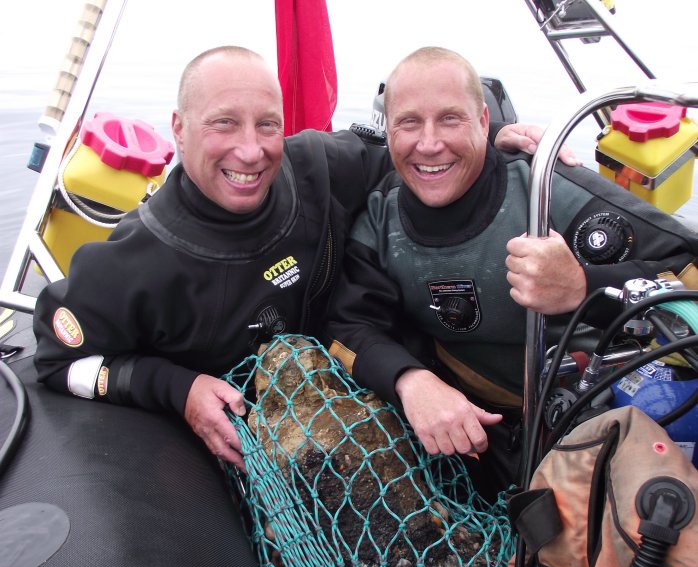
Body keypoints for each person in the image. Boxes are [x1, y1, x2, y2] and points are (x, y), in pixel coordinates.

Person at [32, 45, 576, 471]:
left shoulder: (315, 166)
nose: (251, 151)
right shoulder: (136, 260)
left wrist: (497, 139)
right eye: (224, 123)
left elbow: (417, 155)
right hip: (236, 444)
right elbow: (59, 362)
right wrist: (179, 389)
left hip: (351, 384)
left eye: (267, 124)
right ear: (179, 127)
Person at [325, 46, 698, 497]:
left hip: (606, 412)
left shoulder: (550, 191)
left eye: (450, 119)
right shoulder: (380, 223)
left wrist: (584, 287)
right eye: (408, 122)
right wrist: (411, 381)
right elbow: (351, 326)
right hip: (485, 430)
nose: (428, 143)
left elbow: (686, 268)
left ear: (484, 123)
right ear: (388, 129)